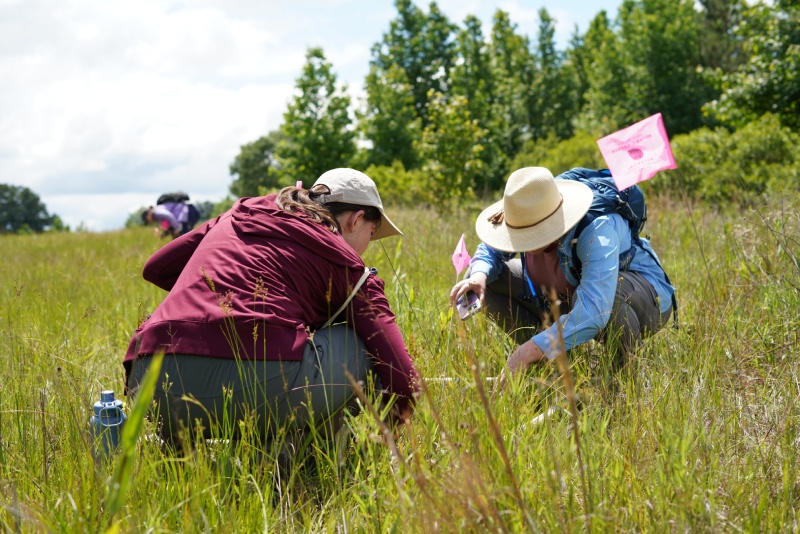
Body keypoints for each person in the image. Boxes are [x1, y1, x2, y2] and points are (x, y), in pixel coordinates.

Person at [125, 168, 419, 447]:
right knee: (359, 343)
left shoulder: (241, 214)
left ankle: (177, 446)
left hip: (148, 384)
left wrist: (221, 297)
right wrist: (380, 442)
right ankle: (302, 449)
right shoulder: (346, 265)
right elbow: (404, 382)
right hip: (251, 395)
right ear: (356, 220)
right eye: (371, 232)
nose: (367, 244)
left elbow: (156, 268)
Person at [449, 167, 675, 391]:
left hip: (643, 299)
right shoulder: (528, 208)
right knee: (482, 280)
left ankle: (622, 382)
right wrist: (478, 276)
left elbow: (595, 310)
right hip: (569, 296)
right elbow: (489, 252)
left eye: (530, 234)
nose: (522, 241)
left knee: (611, 297)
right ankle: (554, 365)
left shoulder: (598, 228)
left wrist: (526, 352)